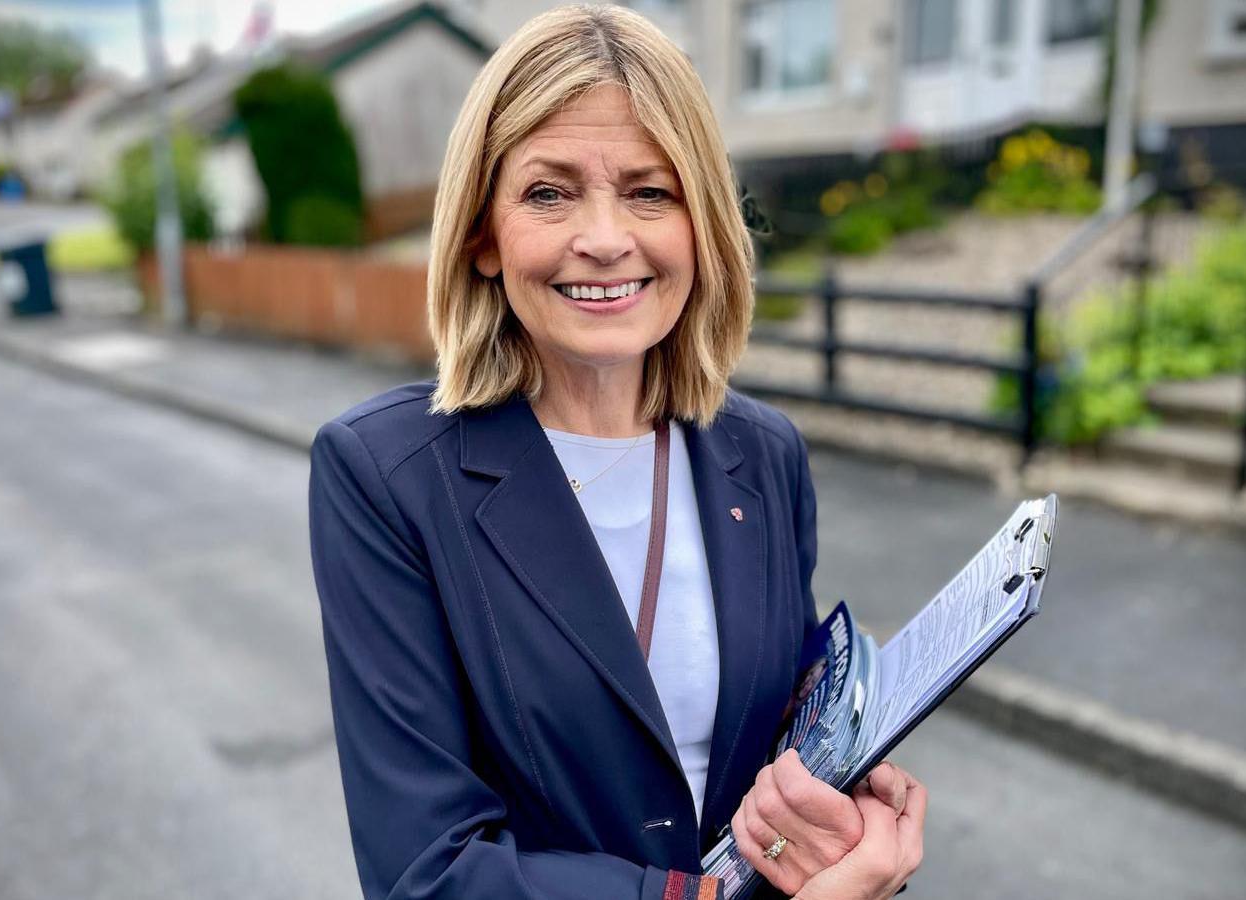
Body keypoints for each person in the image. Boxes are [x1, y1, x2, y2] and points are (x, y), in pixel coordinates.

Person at [306, 6, 925, 898]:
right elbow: (424, 872)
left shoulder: (765, 454)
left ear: (701, 225)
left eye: (650, 191)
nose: (604, 237)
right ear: (483, 235)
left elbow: (783, 727)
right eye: (549, 193)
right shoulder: (385, 477)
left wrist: (846, 804)